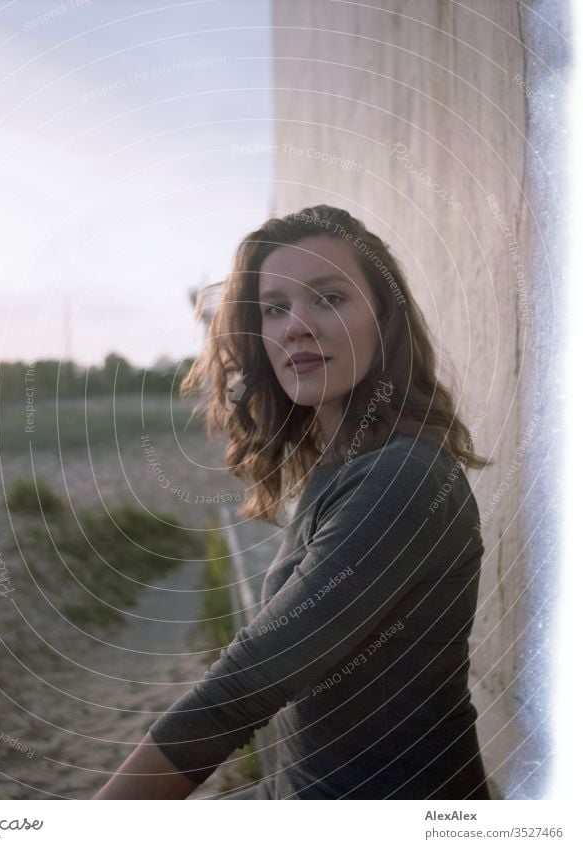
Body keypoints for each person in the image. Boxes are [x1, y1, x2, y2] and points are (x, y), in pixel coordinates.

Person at [93, 204, 493, 800]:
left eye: (329, 298)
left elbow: (243, 689)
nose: (295, 327)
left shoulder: (400, 481)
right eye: (275, 309)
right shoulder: (345, 468)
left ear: (385, 319)